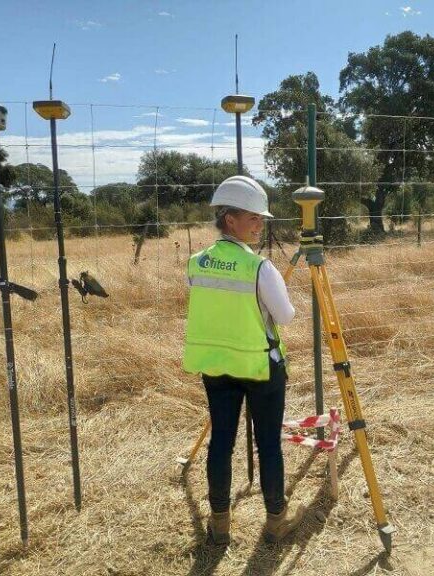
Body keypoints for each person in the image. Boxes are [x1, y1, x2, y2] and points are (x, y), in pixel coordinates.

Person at [183, 175, 305, 545]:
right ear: (229, 219)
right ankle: (276, 523)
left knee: (221, 442)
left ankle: (219, 526)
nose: (260, 224)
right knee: (268, 443)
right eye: (253, 217)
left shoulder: (196, 262)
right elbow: (284, 317)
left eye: (261, 218)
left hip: (216, 368)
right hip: (259, 366)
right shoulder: (260, 268)